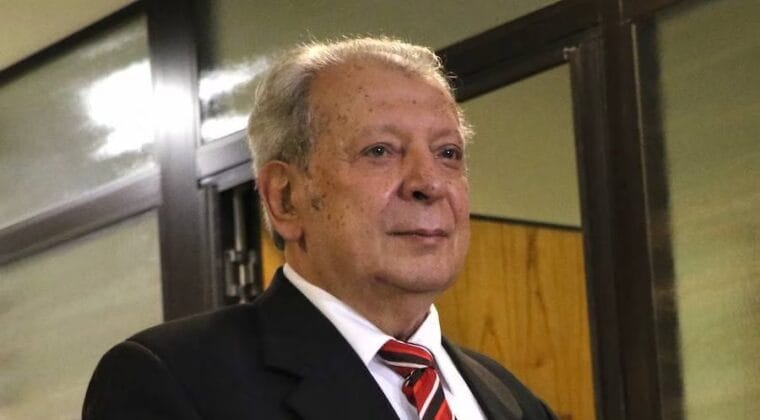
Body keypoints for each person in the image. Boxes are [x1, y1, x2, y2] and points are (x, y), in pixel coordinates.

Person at [83, 37, 555, 420]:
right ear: (285, 198)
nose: (429, 183)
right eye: (380, 151)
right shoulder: (174, 379)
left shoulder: (510, 398)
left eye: (447, 153)